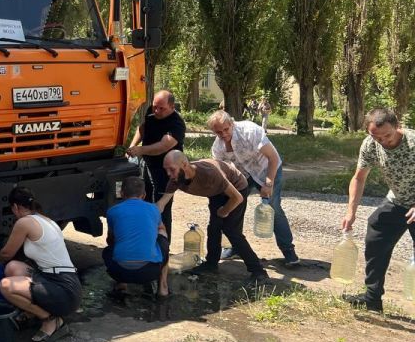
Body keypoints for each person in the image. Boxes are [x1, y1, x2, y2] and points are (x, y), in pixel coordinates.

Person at [341, 108, 415, 312]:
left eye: (387, 135)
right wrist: (351, 211)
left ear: (397, 126)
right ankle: (372, 299)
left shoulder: (413, 143)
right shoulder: (370, 144)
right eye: (376, 136)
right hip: (398, 201)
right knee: (376, 233)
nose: (383, 141)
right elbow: (359, 178)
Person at [157, 151, 269, 283]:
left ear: (185, 164)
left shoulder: (209, 174)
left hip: (237, 189)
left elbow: (237, 198)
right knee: (214, 228)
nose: (169, 174)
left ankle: (258, 271)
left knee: (231, 230)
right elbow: (161, 204)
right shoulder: (176, 179)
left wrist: (224, 211)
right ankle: (211, 264)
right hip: (216, 192)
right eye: (166, 170)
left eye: (172, 169)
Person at [208, 110, 300, 267]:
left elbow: (273, 157)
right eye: (218, 132)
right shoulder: (218, 148)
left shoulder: (250, 131)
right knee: (235, 207)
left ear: (232, 124)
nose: (223, 134)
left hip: (267, 169)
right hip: (243, 175)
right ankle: (235, 247)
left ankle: (289, 252)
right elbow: (222, 172)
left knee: (273, 207)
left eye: (226, 129)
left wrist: (268, 183)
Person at [0, 186, 82, 342]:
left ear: (15, 207)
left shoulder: (24, 222)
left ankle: (50, 320)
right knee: (13, 267)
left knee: (5, 286)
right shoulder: (45, 219)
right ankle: (31, 312)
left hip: (63, 291)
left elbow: (7, 254)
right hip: (64, 281)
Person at [126, 90, 186, 238]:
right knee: (144, 201)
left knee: (161, 207)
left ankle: (163, 245)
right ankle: (147, 237)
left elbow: (162, 147)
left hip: (166, 171)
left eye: (162, 108)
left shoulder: (176, 124)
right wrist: (133, 145)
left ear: (172, 107)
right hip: (147, 164)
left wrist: (140, 150)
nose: (157, 111)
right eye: (155, 107)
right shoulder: (151, 111)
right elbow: (143, 127)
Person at [104, 176, 170, 297]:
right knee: (162, 232)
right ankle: (163, 287)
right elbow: (161, 230)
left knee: (109, 249)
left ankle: (121, 284)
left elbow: (110, 239)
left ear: (122, 193)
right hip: (149, 272)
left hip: (119, 271)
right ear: (144, 195)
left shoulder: (112, 211)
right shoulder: (154, 209)